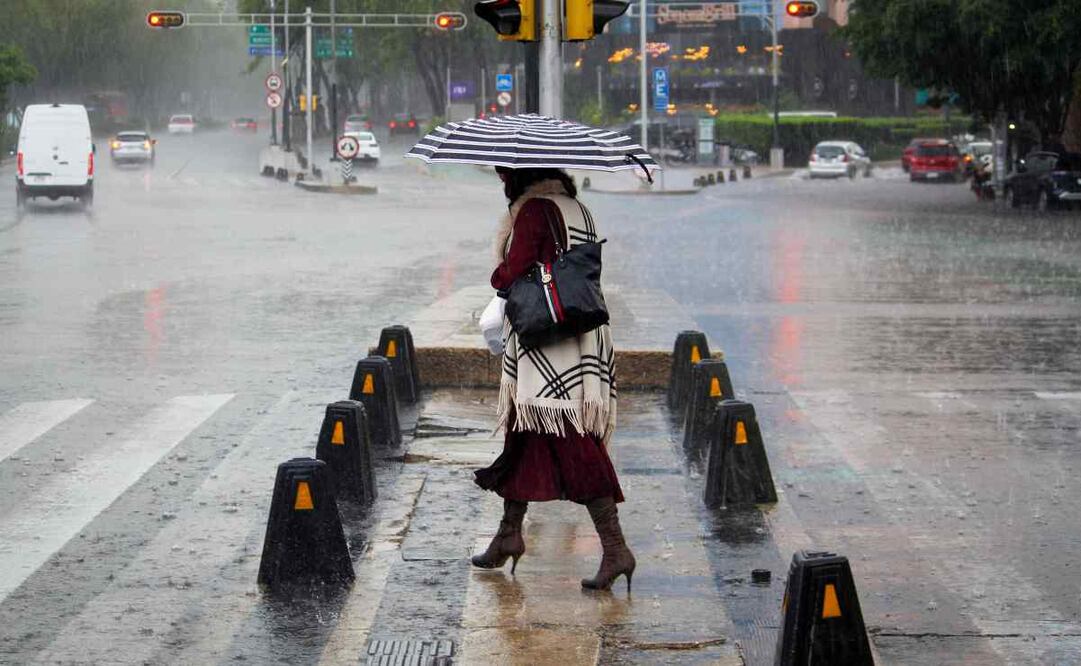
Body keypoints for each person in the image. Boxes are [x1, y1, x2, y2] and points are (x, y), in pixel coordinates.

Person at [471, 166, 635, 593]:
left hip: (549, 341)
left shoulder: (535, 211)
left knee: (573, 442)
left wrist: (499, 268)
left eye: (505, 177)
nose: (502, 183)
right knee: (525, 433)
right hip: (582, 333)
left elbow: (513, 273)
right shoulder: (579, 209)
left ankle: (616, 547)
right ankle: (509, 533)